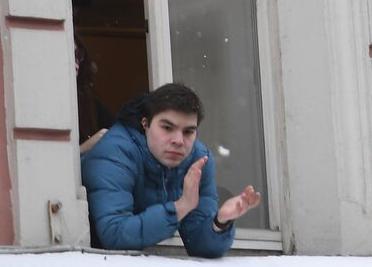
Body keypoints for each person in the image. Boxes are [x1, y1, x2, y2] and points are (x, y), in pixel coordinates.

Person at [81, 82, 261, 257]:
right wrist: (181, 207)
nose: (178, 140)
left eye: (188, 131)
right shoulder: (115, 151)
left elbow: (198, 244)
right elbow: (114, 235)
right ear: (145, 124)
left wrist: (219, 222)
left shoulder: (199, 160)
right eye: (167, 128)